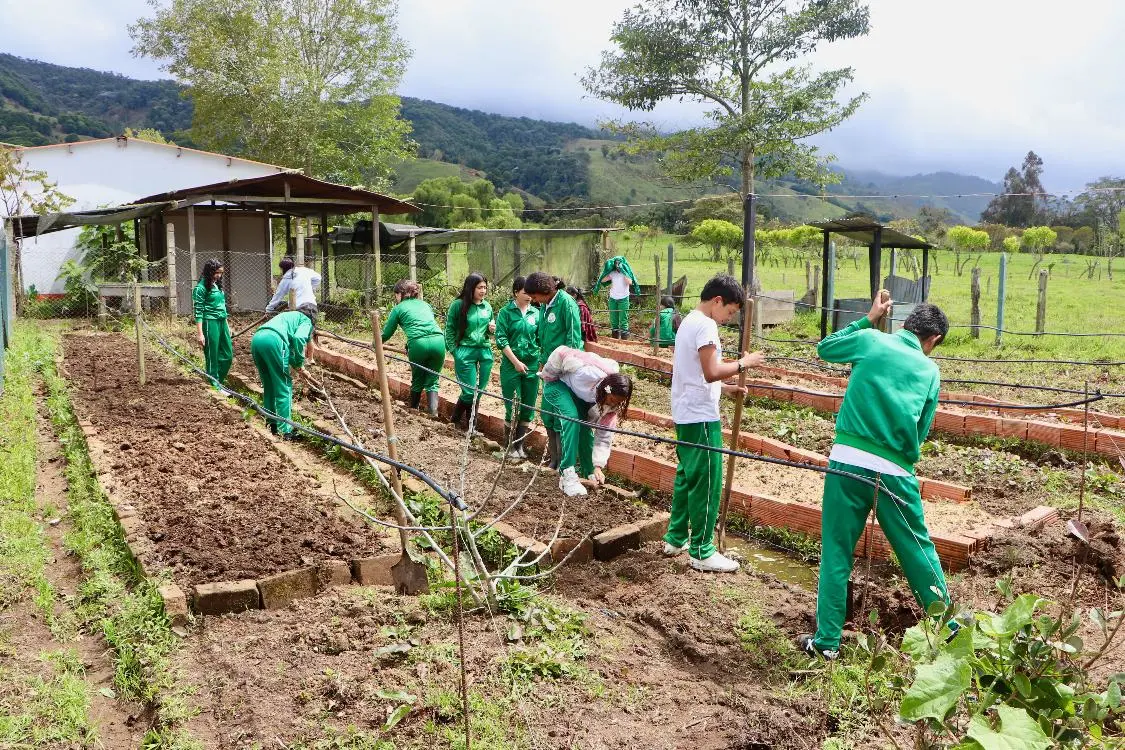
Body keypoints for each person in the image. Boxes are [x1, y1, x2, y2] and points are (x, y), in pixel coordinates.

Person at [799, 294, 952, 660]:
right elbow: (921, 428)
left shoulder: (870, 340)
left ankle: (827, 644)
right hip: (895, 471)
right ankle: (948, 629)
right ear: (933, 339)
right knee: (917, 549)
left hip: (848, 461)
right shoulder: (930, 371)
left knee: (837, 551)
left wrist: (867, 319)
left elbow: (825, 348)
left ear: (906, 324)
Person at [662, 275, 765, 573]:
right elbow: (710, 371)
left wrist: (726, 388)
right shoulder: (706, 325)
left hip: (685, 411)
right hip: (701, 417)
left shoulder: (688, 321)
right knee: (707, 481)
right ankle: (702, 550)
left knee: (687, 477)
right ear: (717, 301)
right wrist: (744, 363)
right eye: (729, 311)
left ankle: (676, 538)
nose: (728, 318)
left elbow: (694, 371)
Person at [540, 346, 632, 497]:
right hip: (556, 383)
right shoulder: (587, 374)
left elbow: (604, 437)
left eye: (618, 402)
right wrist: (548, 375)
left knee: (584, 427)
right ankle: (567, 473)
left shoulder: (611, 407)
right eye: (611, 400)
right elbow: (561, 352)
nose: (612, 404)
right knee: (572, 418)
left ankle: (590, 472)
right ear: (606, 390)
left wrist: (598, 466)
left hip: (575, 392)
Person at [523, 273, 583, 471]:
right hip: (548, 369)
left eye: (535, 296)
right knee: (548, 414)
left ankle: (565, 462)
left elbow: (574, 338)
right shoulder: (545, 305)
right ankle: (554, 458)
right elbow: (544, 337)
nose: (534, 301)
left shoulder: (566, 303)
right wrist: (542, 362)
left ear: (544, 291)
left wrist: (567, 367)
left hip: (563, 370)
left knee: (561, 417)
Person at [249, 308, 318, 440]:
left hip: (257, 339)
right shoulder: (306, 320)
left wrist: (298, 366)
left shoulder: (289, 317)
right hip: (274, 341)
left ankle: (271, 424)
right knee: (284, 385)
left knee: (269, 385)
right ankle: (286, 431)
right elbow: (299, 339)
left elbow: (288, 351)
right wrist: (299, 363)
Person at [381, 279, 445, 417]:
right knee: (433, 380)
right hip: (439, 341)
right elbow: (423, 325)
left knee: (417, 379)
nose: (396, 298)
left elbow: (387, 333)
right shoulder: (425, 304)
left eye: (396, 295)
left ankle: (413, 410)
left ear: (400, 294)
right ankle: (433, 413)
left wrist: (376, 343)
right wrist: (408, 345)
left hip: (418, 344)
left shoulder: (398, 308)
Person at [495, 276, 541, 458]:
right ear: (516, 292)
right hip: (511, 364)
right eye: (525, 292)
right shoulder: (506, 313)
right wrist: (515, 362)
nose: (529, 296)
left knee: (528, 406)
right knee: (514, 405)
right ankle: (509, 446)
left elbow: (540, 338)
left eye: (531, 292)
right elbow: (501, 339)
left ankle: (519, 446)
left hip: (532, 365)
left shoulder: (536, 314)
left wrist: (540, 361)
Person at [445, 272, 495, 430]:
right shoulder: (458, 305)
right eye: (479, 287)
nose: (483, 291)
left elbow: (489, 331)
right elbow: (449, 329)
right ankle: (461, 422)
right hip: (465, 351)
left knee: (479, 391)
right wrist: (454, 351)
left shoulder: (487, 306)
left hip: (485, 351)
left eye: (485, 287)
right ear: (470, 288)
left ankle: (466, 425)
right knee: (469, 392)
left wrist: (491, 330)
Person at [192, 258, 233, 387]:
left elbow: (222, 307)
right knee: (212, 355)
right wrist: (200, 334)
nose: (219, 275)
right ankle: (214, 384)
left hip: (222, 321)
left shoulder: (217, 285)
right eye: (216, 272)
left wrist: (227, 326)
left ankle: (218, 381)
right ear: (209, 271)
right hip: (210, 322)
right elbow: (198, 311)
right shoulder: (200, 288)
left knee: (227, 355)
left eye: (221, 273)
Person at [594, 255, 638, 339]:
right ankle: (615, 340)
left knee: (623, 320)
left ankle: (624, 341)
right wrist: (607, 270)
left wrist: (623, 271)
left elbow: (630, 282)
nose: (617, 265)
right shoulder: (612, 273)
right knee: (614, 321)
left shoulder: (626, 272)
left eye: (619, 263)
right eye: (616, 263)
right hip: (613, 298)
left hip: (623, 299)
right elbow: (602, 280)